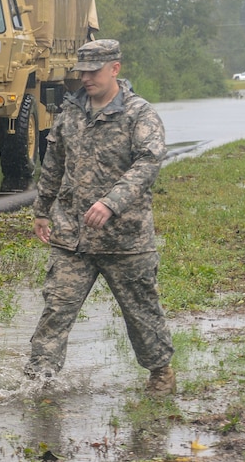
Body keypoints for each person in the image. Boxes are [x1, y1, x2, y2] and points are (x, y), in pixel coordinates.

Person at [25, 39, 176, 395]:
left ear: (115, 68)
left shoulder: (139, 114)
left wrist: (111, 203)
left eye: (94, 71)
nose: (86, 78)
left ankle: (160, 373)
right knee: (56, 310)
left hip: (125, 238)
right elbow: (54, 163)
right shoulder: (71, 113)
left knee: (142, 313)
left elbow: (148, 163)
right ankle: (38, 381)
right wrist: (43, 210)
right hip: (71, 235)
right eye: (82, 72)